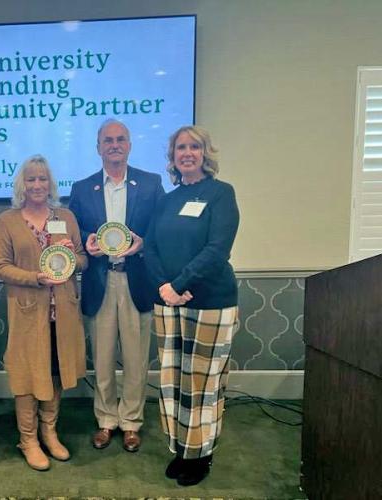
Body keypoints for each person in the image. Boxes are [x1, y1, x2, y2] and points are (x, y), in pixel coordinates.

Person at [145, 125, 239, 486]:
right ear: (172, 157)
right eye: (180, 147)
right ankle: (184, 448)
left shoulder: (220, 193)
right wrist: (165, 288)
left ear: (205, 153)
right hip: (168, 303)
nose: (187, 153)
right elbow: (150, 248)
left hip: (211, 301)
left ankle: (203, 454)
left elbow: (218, 249)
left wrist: (180, 285)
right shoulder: (166, 201)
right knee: (174, 381)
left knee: (203, 382)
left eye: (194, 147)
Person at [68, 119, 163, 452]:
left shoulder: (151, 184)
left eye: (120, 139)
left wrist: (144, 242)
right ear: (98, 147)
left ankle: (132, 421)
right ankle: (107, 419)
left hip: (137, 280)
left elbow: (161, 230)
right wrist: (86, 240)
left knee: (137, 359)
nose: (114, 145)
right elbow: (72, 229)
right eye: (107, 140)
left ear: (130, 145)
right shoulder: (82, 188)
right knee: (103, 357)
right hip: (100, 280)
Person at [0, 154, 87, 471]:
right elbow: (1, 267)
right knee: (27, 374)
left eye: (42, 178)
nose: (37, 184)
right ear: (23, 184)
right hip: (27, 312)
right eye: (31, 179)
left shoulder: (66, 217)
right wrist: (35, 277)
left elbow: (84, 260)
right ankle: (28, 439)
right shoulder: (8, 220)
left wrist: (75, 258)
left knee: (56, 369)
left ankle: (49, 431)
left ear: (50, 183)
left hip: (62, 312)